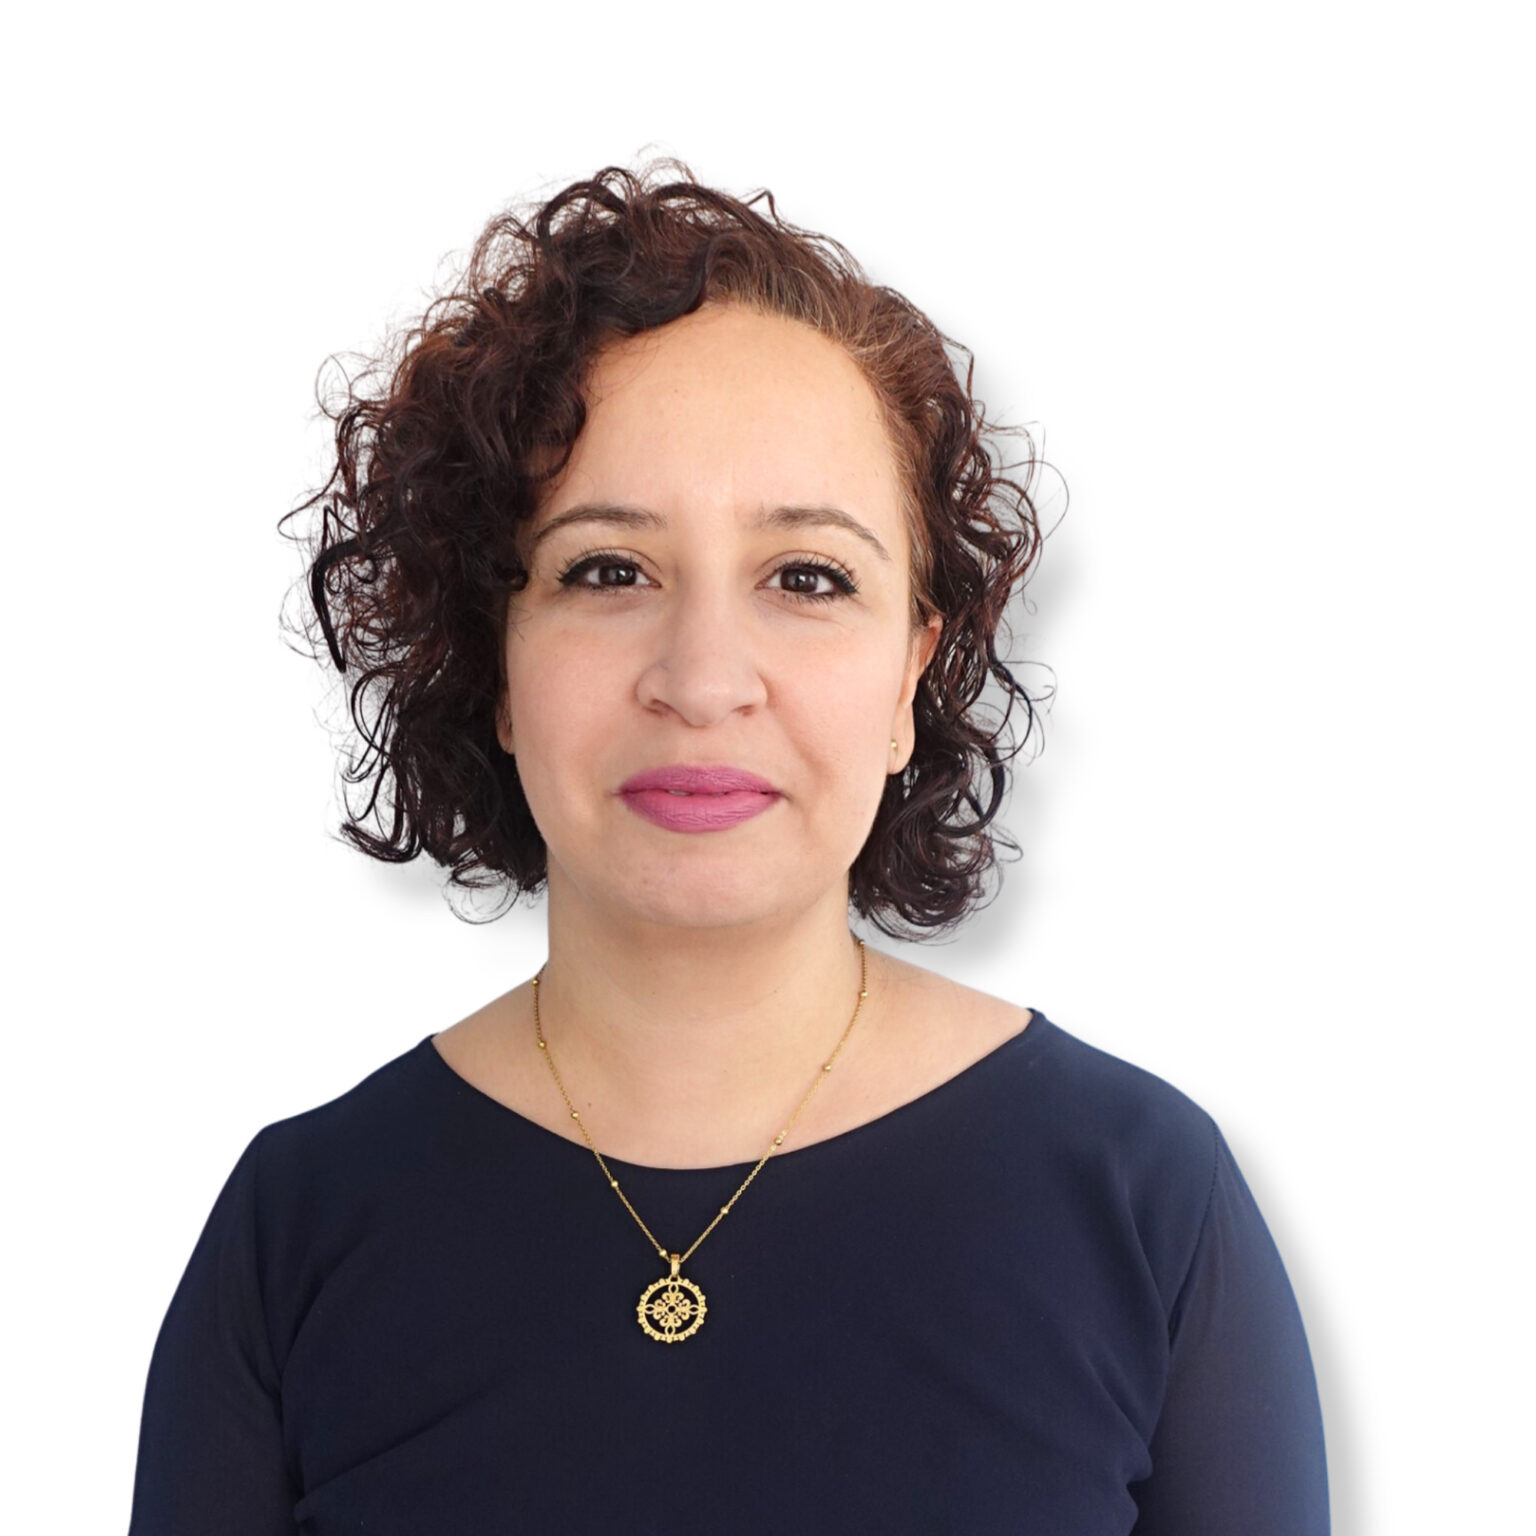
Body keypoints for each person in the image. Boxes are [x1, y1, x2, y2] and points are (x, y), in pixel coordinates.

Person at [127, 159, 1329, 1534]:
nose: (703, 677)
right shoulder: (300, 1230)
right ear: (496, 664)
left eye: (807, 578)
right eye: (606, 571)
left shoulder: (1144, 1201)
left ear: (909, 676)